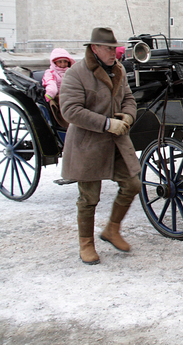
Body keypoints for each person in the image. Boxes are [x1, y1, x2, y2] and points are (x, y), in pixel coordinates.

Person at [60, 27, 141, 265]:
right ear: (94, 48)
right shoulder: (76, 73)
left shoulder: (119, 70)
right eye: (108, 48)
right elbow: (70, 110)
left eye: (114, 48)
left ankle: (111, 230)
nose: (114, 53)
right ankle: (86, 244)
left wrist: (127, 116)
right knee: (89, 198)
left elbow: (128, 99)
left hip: (116, 141)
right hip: (88, 144)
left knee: (133, 184)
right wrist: (106, 124)